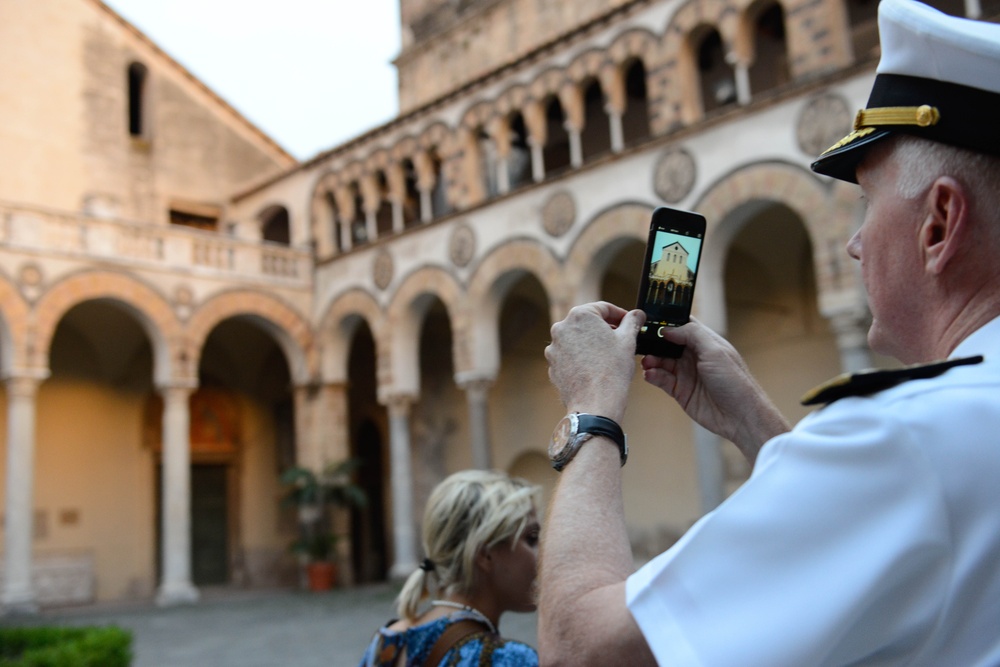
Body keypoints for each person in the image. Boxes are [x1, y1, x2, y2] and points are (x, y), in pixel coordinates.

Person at [537, 0, 1000, 664]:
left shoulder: (908, 438)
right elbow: (870, 518)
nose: (854, 243)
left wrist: (591, 413)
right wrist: (753, 420)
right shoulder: (946, 434)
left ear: (939, 223)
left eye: (868, 205)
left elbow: (581, 648)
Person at [358, 469, 541, 667]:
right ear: (484, 555)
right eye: (531, 539)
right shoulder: (507, 659)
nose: (543, 554)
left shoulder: (386, 642)